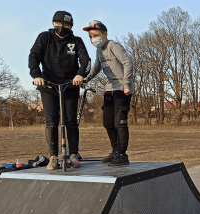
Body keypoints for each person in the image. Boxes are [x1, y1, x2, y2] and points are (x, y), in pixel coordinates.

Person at [29, 11, 91, 170]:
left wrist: (80, 74)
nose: (62, 27)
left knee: (70, 121)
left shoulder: (76, 41)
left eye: (66, 25)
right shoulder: (45, 38)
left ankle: (73, 154)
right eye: (60, 24)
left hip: (70, 85)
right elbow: (34, 56)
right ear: (53, 24)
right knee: (52, 121)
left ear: (71, 27)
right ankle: (53, 156)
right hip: (48, 85)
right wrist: (36, 75)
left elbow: (86, 61)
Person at [83, 20, 134, 166]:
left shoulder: (113, 45)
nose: (93, 38)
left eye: (96, 35)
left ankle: (123, 155)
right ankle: (115, 151)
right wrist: (85, 79)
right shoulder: (99, 50)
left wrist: (126, 85)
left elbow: (128, 63)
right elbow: (96, 67)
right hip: (109, 89)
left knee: (120, 122)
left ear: (104, 34)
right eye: (91, 36)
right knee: (107, 122)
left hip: (122, 89)